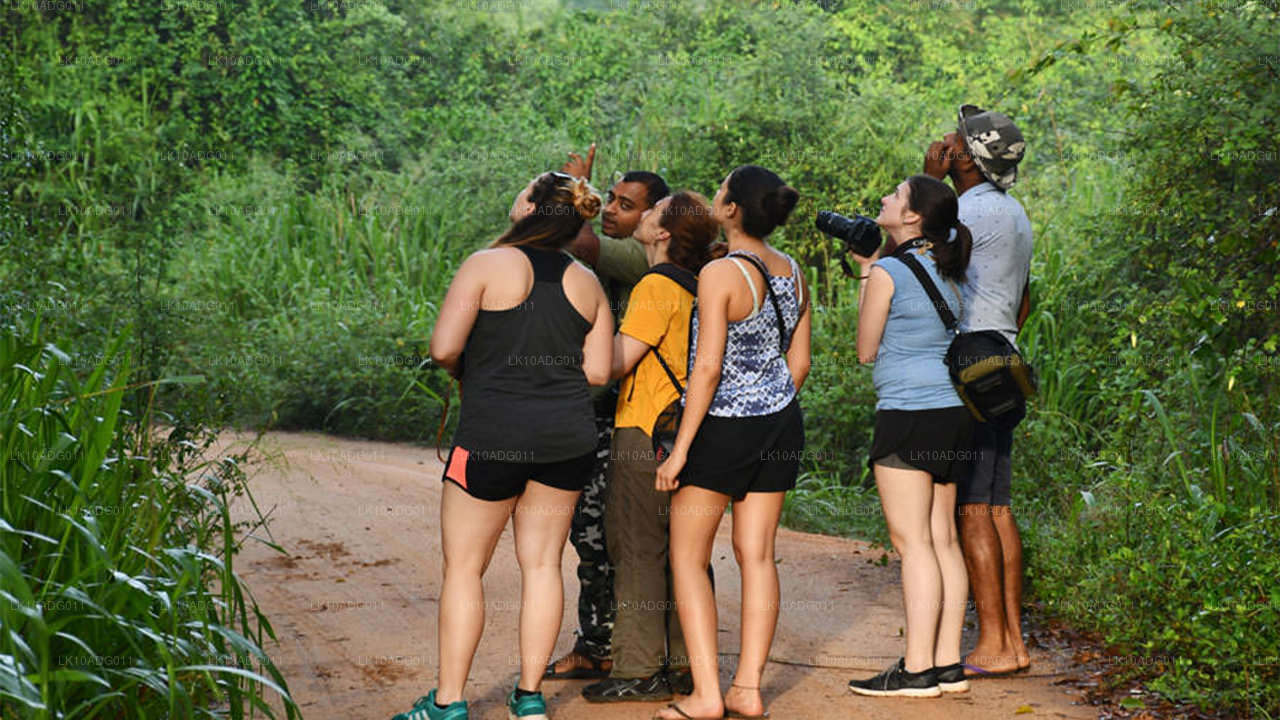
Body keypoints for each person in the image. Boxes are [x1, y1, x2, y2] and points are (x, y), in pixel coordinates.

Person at [398, 171, 613, 720]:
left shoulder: (484, 264)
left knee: (465, 569)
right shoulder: (587, 281)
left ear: (533, 207)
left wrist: (479, 363)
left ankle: (448, 703)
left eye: (523, 191)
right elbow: (595, 372)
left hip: (493, 436)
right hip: (566, 439)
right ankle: (530, 696)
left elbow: (444, 347)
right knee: (543, 564)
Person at [652, 165, 811, 720]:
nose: (715, 195)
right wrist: (769, 403)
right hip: (780, 423)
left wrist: (681, 450)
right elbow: (801, 361)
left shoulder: (722, 273)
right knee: (758, 555)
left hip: (722, 426)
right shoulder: (794, 271)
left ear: (733, 209)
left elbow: (708, 369)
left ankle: (706, 696)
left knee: (688, 558)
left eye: (721, 190)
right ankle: (746, 688)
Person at [581, 191, 723, 704]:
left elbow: (617, 362)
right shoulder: (699, 285)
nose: (642, 216)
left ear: (662, 233)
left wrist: (592, 314)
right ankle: (687, 668)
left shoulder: (656, 284)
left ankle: (638, 668)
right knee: (687, 553)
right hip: (690, 432)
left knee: (638, 548)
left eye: (653, 211)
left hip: (645, 429)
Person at [546, 144, 672, 681]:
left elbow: (579, 240)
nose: (613, 211)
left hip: (625, 421)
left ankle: (606, 644)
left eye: (625, 204)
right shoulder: (636, 257)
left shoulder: (637, 257)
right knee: (608, 535)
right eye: (610, 201)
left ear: (656, 219)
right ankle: (615, 640)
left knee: (599, 535)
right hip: (618, 419)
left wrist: (579, 192)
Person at [845, 174, 974, 699]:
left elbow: (865, 349)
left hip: (906, 412)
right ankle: (947, 664)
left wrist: (868, 278)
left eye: (895, 195)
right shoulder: (949, 268)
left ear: (913, 217)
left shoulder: (891, 272)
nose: (884, 199)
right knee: (943, 538)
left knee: (912, 543)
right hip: (953, 412)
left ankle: (917, 669)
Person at [924, 104, 1033, 678]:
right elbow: (1025, 299)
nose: (945, 139)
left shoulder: (964, 210)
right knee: (996, 505)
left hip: (972, 364)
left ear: (965, 156)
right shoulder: (1014, 212)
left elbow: (920, 257)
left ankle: (993, 641)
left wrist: (927, 184)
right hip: (1005, 359)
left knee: (971, 507)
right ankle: (1012, 641)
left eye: (954, 138)